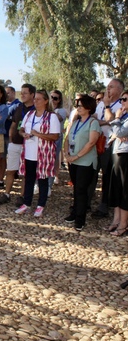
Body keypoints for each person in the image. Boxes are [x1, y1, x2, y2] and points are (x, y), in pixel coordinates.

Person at [16, 90, 60, 217]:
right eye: (34, 99)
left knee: (43, 179)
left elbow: (55, 136)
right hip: (29, 152)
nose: (35, 101)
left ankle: (41, 205)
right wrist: (23, 133)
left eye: (39, 99)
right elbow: (21, 129)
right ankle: (27, 203)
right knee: (29, 178)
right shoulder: (30, 114)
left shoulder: (51, 117)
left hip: (44, 154)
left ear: (46, 101)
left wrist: (38, 134)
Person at [63, 95, 100, 231]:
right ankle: (74, 213)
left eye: (80, 105)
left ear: (88, 108)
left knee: (81, 190)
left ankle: (80, 219)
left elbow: (91, 143)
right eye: (77, 105)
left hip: (85, 162)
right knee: (76, 188)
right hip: (73, 161)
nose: (77, 108)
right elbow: (67, 138)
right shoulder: (76, 122)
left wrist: (77, 156)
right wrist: (67, 153)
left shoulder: (93, 123)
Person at [0, 83, 36, 205]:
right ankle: (7, 194)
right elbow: (14, 123)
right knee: (10, 170)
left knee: (25, 172)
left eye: (25, 93)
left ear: (32, 94)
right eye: (21, 92)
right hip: (15, 143)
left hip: (29, 145)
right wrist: (11, 138)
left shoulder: (35, 110)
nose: (22, 95)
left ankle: (22, 196)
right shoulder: (19, 107)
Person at [91, 78, 124, 218]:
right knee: (91, 173)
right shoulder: (101, 104)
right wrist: (104, 121)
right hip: (95, 142)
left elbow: (111, 120)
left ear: (119, 90)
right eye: (107, 86)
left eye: (111, 87)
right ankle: (86, 202)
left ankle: (104, 206)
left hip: (109, 146)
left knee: (107, 177)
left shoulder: (120, 105)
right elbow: (94, 119)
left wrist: (107, 107)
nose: (108, 89)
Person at [106, 90, 128, 236]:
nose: (122, 102)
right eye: (121, 99)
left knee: (125, 190)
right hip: (116, 153)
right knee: (116, 188)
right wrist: (118, 130)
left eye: (125, 99)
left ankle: (123, 224)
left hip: (125, 155)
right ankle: (116, 220)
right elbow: (114, 133)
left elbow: (119, 133)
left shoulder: (123, 117)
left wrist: (117, 118)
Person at [49, 89, 68, 188]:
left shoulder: (61, 111)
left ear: (59, 100)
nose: (52, 100)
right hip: (46, 136)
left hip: (57, 137)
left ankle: (54, 177)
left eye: (55, 98)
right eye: (51, 97)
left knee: (55, 159)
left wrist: (50, 110)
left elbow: (59, 118)